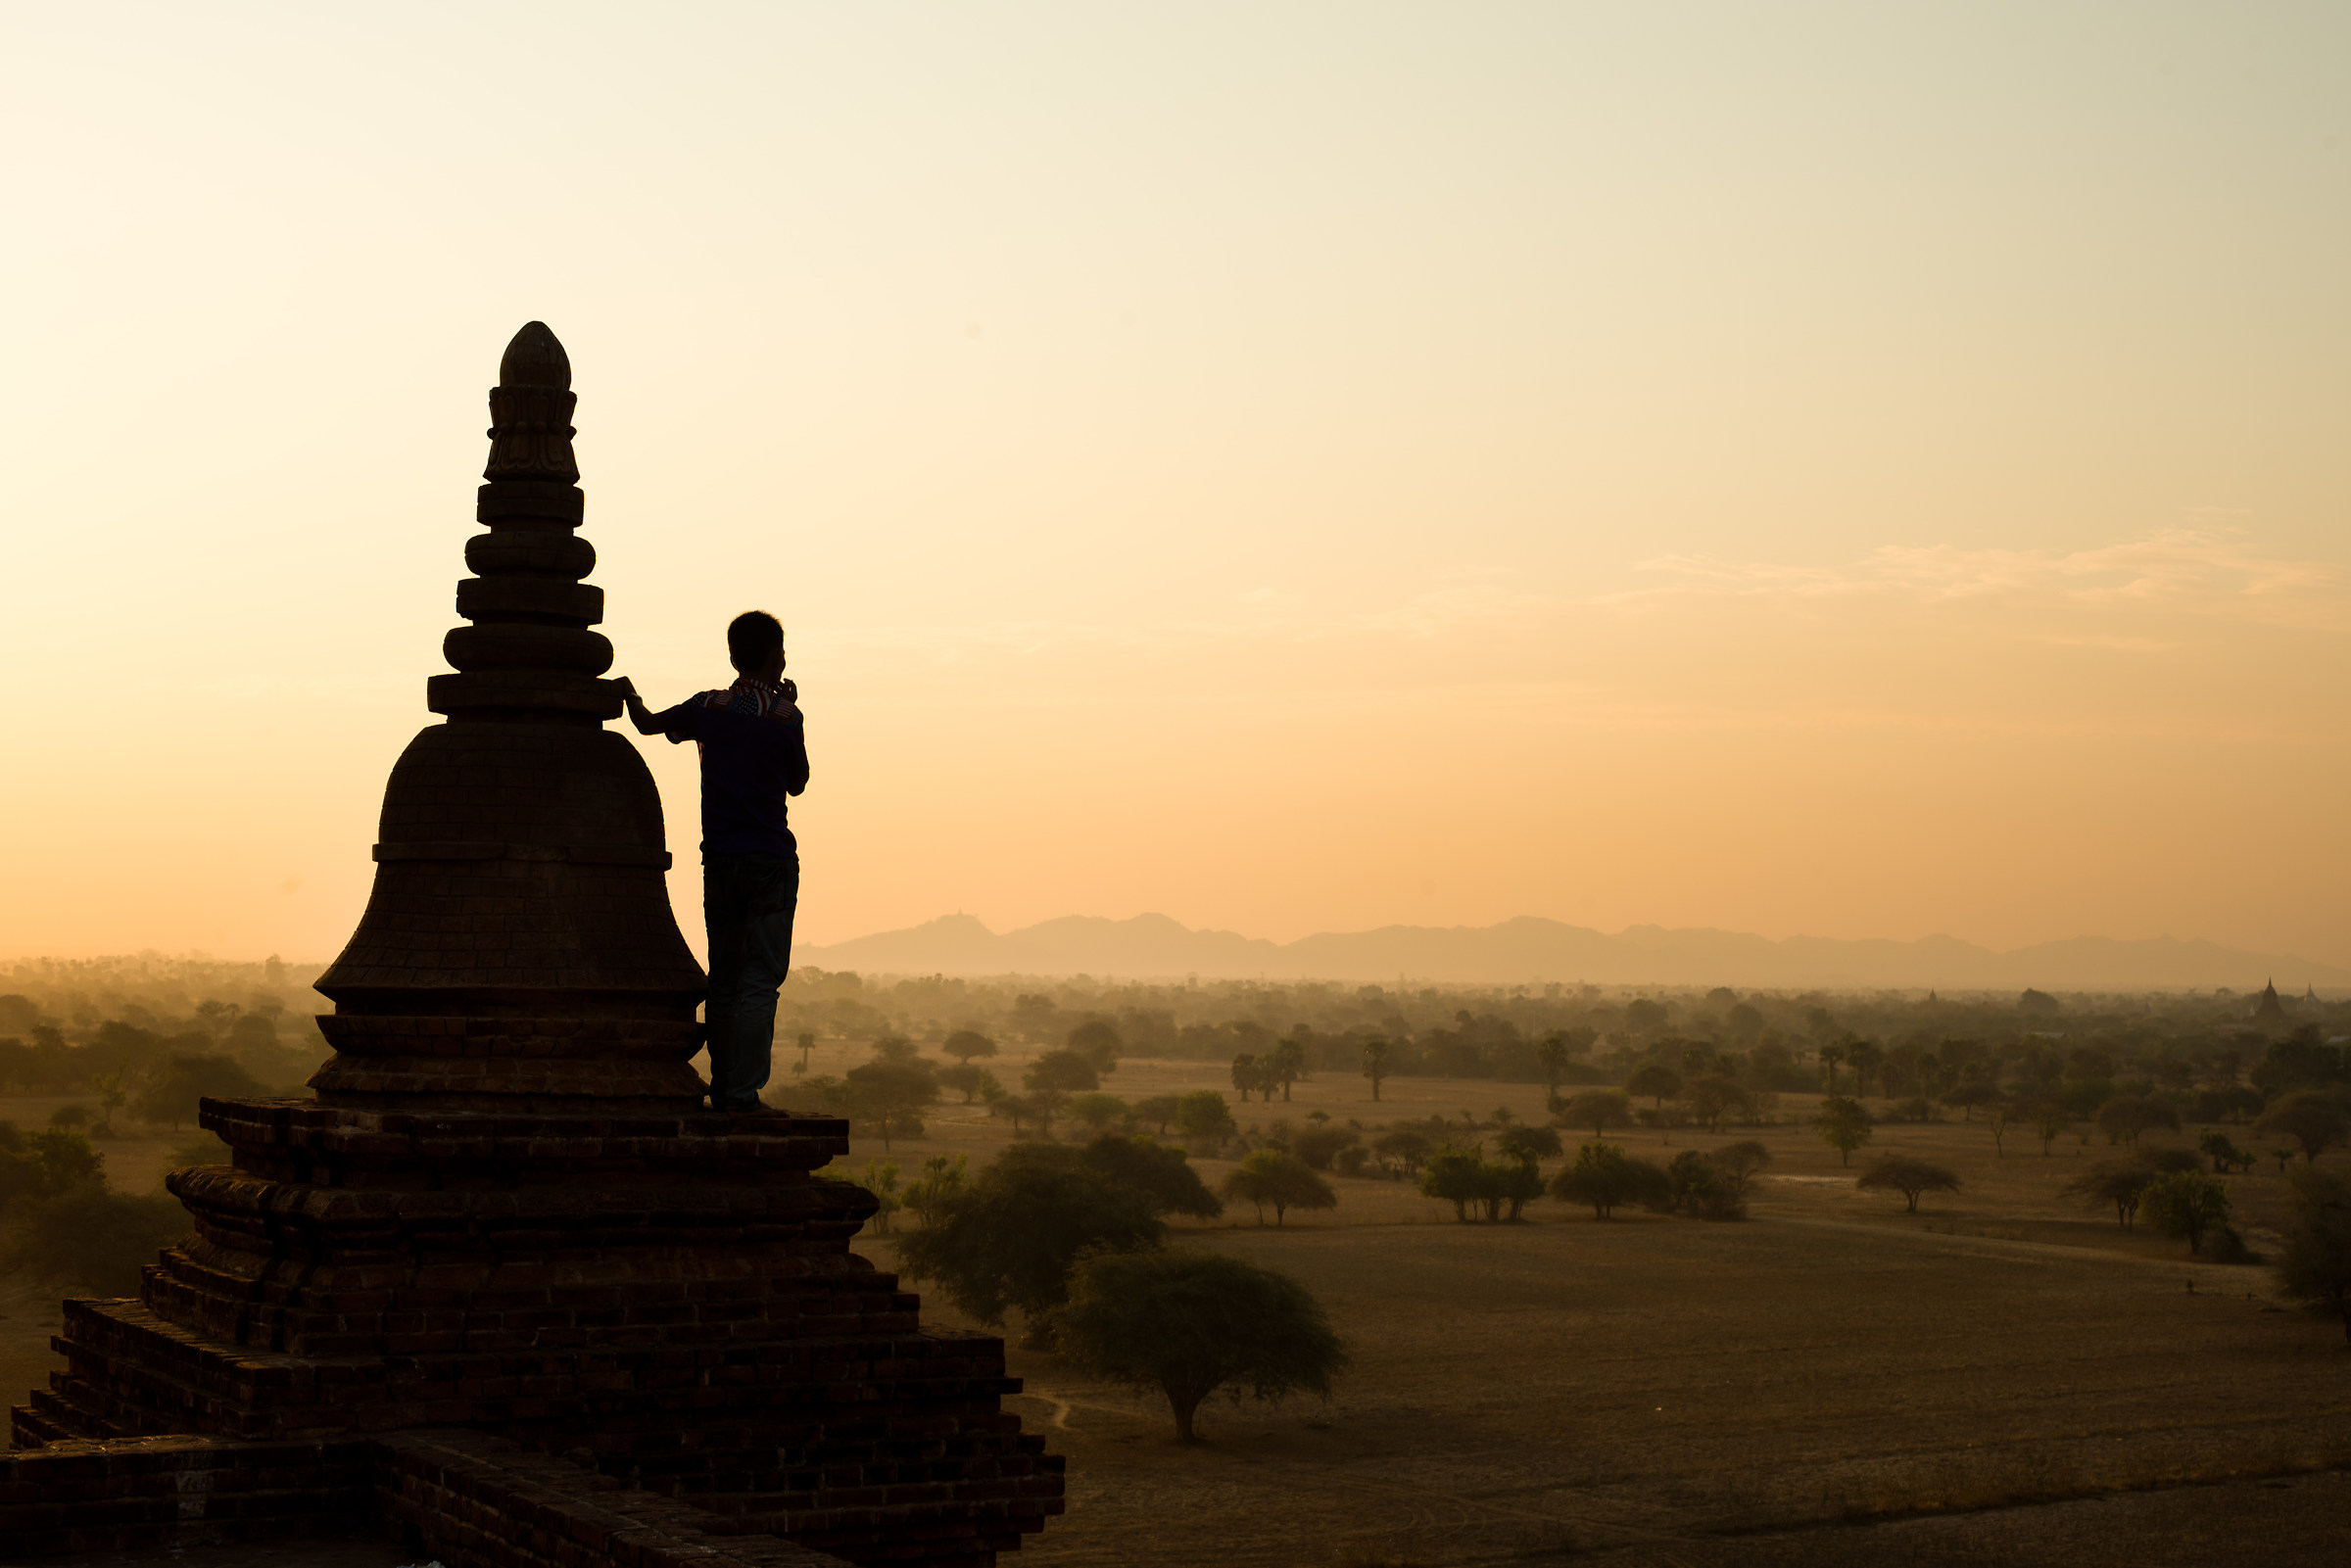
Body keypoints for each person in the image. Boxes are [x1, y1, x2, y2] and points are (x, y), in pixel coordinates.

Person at [614, 610, 809, 1113]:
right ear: (774, 657)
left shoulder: (708, 706)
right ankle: (741, 1094)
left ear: (731, 656)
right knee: (760, 979)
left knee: (723, 978)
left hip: (720, 861)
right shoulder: (786, 716)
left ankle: (724, 1087)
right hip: (769, 860)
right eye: (782, 653)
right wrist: (785, 705)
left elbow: (647, 723)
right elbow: (798, 781)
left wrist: (628, 692)